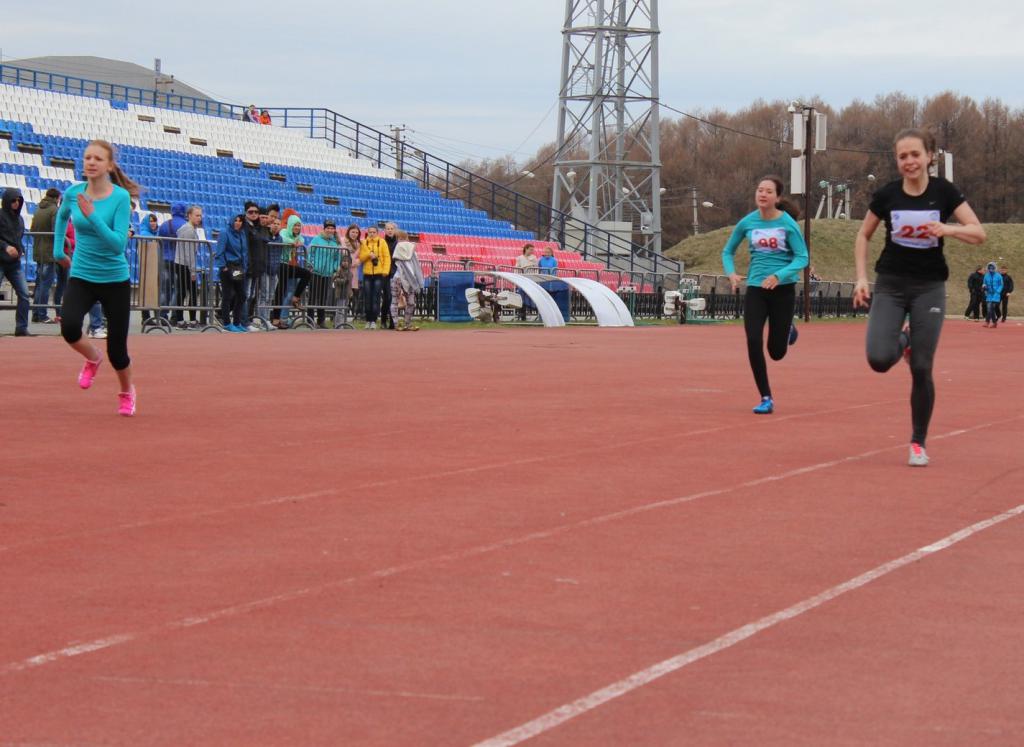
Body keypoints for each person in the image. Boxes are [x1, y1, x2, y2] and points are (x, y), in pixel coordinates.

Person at [853, 128, 985, 467]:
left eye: (915, 154)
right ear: (897, 161)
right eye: (902, 156)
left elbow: (978, 233)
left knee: (923, 367)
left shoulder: (944, 192)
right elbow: (863, 235)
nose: (909, 161)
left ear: (930, 156)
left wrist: (949, 229)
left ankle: (917, 442)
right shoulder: (887, 195)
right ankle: (904, 342)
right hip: (891, 285)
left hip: (929, 287)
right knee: (879, 359)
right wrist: (861, 278)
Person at [52, 139, 142, 416]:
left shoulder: (120, 198)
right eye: (87, 157)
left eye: (98, 159)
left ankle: (127, 391)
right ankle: (92, 358)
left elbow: (117, 244)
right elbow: (61, 216)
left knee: (117, 350)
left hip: (114, 278)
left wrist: (93, 217)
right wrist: (58, 248)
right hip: (82, 273)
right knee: (69, 327)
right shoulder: (73, 193)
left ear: (109, 165)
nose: (91, 162)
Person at [721, 175, 808, 415]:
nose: (762, 194)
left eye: (768, 191)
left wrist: (779, 275)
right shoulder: (747, 222)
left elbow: (803, 257)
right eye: (760, 190)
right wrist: (731, 274)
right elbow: (727, 251)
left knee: (776, 352)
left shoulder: (788, 224)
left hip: (782, 291)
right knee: (752, 340)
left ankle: (788, 329)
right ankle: (766, 396)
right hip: (757, 290)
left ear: (777, 197)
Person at [0, 187, 32, 336]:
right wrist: (5, 246)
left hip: (14, 264)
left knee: (24, 294)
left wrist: (20, 250)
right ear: (6, 201)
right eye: (13, 200)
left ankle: (21, 328)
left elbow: (18, 239)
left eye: (19, 200)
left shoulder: (19, 219)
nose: (16, 203)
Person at [271, 213, 310, 327]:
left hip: (288, 264)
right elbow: (283, 238)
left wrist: (298, 242)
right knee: (280, 291)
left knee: (306, 274)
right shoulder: (284, 232)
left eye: (299, 225)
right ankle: (276, 319)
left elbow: (301, 240)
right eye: (295, 225)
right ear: (290, 225)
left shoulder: (297, 235)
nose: (297, 228)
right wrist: (292, 242)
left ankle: (295, 297)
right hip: (280, 263)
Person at [30, 187, 62, 324]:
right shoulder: (54, 210)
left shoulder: (38, 209)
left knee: (39, 283)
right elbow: (56, 230)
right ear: (57, 198)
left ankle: (36, 313)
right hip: (49, 252)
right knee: (45, 284)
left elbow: (32, 229)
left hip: (38, 251)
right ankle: (42, 314)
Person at [215, 214, 249, 332]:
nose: (238, 223)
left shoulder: (242, 234)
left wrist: (244, 266)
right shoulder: (224, 232)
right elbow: (219, 250)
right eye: (236, 220)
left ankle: (237, 322)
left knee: (242, 295)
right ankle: (226, 323)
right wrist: (223, 266)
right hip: (228, 267)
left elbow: (244, 252)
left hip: (238, 268)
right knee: (227, 295)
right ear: (231, 221)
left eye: (240, 221)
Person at [308, 218, 341, 327]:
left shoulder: (335, 243)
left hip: (327, 273)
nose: (330, 230)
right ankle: (310, 320)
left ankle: (321, 320)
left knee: (323, 297)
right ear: (324, 228)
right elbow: (310, 252)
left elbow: (337, 258)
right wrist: (311, 264)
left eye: (332, 228)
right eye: (328, 228)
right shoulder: (316, 239)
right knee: (313, 297)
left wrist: (334, 268)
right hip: (316, 272)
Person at [174, 205, 204, 328]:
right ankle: (185, 320)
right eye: (197, 215)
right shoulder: (188, 230)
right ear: (189, 216)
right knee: (188, 292)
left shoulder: (189, 229)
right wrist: (192, 271)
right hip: (184, 264)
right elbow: (189, 252)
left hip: (182, 263)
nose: (199, 218)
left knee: (185, 292)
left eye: (200, 215)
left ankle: (186, 319)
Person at [390, 230, 424, 331]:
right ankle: (396, 324)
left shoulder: (412, 251)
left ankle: (407, 323)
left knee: (411, 302)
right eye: (399, 239)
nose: (402, 241)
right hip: (398, 278)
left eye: (403, 238)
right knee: (395, 300)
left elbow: (415, 266)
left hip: (409, 280)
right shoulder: (398, 248)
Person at [358, 225, 390, 329]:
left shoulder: (382, 242)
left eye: (374, 232)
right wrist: (369, 255)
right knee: (367, 297)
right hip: (367, 274)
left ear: (377, 233)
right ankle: (368, 319)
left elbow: (387, 257)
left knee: (376, 297)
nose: (372, 234)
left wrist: (385, 271)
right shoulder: (364, 243)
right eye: (370, 232)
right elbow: (361, 257)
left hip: (379, 274)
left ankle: (374, 320)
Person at [333, 224, 360, 328]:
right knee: (340, 299)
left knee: (347, 298)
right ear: (348, 232)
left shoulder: (358, 244)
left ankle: (343, 322)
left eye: (356, 232)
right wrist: (353, 262)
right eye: (353, 232)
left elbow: (359, 259)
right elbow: (344, 257)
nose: (354, 234)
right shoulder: (343, 241)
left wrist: (356, 261)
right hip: (343, 272)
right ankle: (338, 322)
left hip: (352, 274)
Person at [381, 221, 399, 329]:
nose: (390, 230)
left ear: (395, 230)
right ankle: (383, 320)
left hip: (395, 273)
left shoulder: (398, 243)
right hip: (384, 273)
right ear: (385, 230)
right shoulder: (382, 242)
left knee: (394, 298)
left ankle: (393, 322)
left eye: (392, 228)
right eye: (388, 228)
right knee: (387, 297)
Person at [982, 262, 1003, 328]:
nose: (991, 269)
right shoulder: (986, 275)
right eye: (989, 268)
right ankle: (994, 323)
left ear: (995, 268)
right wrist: (984, 287)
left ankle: (987, 321)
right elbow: (984, 283)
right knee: (989, 309)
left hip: (996, 295)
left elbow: (1001, 285)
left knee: (991, 308)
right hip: (989, 294)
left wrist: (998, 291)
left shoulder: (998, 275)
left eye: (992, 268)